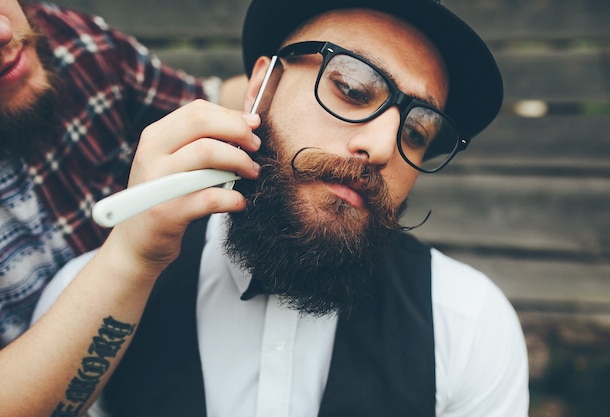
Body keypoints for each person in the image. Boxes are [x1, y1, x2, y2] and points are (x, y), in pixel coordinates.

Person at [33, 0, 530, 416]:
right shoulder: (92, 299)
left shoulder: (468, 325)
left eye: (417, 132)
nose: (382, 145)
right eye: (353, 88)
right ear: (260, 88)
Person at [0, 1, 248, 415]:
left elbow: (205, 104)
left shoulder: (70, 44)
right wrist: (133, 254)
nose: (3, 33)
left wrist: (311, 72)